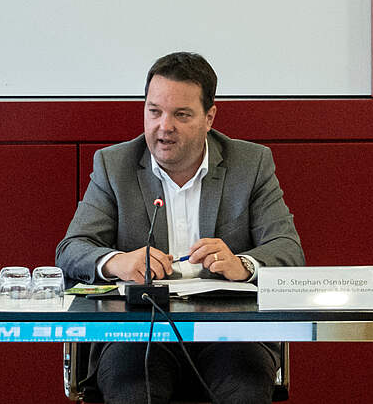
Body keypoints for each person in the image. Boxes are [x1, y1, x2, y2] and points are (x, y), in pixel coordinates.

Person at [57, 52, 304, 404]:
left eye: (181, 115)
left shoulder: (250, 164)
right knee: (134, 392)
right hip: (137, 332)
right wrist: (117, 262)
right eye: (154, 111)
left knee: (243, 389)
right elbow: (72, 248)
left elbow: (288, 249)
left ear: (209, 117)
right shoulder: (115, 165)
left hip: (230, 333)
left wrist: (243, 265)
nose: (164, 126)